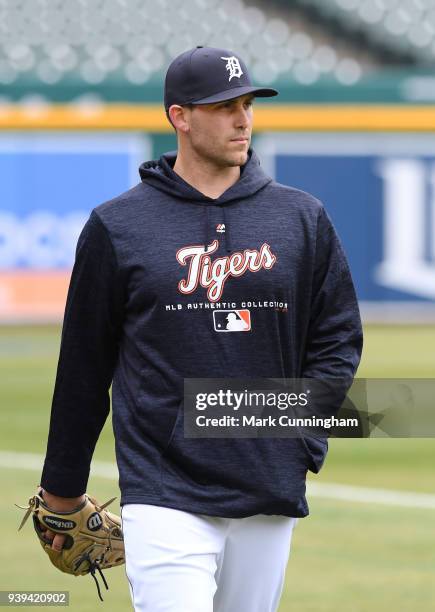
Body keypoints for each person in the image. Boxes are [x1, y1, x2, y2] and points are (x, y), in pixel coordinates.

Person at [39, 46, 363, 611]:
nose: (242, 119)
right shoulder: (118, 226)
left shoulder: (301, 217)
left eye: (247, 104)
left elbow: (337, 343)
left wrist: (300, 441)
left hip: (268, 489)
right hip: (164, 494)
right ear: (179, 117)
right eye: (223, 107)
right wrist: (62, 487)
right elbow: (83, 367)